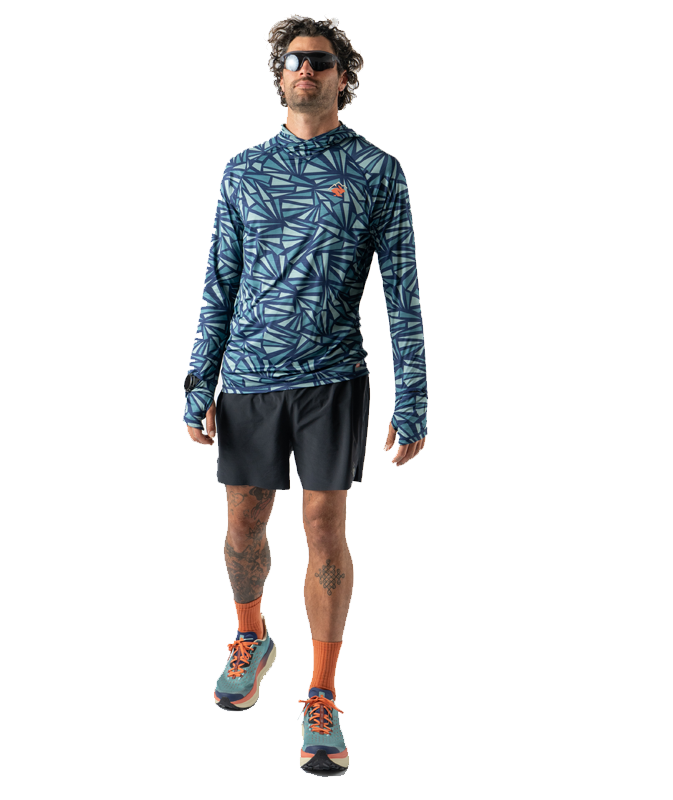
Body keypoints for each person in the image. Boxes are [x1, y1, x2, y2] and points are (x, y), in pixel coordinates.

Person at [182, 15, 428, 776]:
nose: (305, 70)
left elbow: (403, 294)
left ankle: (321, 695)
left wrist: (414, 395)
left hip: (332, 378)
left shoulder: (377, 171)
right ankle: (250, 636)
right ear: (279, 74)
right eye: (293, 60)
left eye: (320, 61)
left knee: (324, 527)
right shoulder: (244, 171)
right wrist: (199, 377)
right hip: (250, 378)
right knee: (243, 524)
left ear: (343, 77)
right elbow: (220, 279)